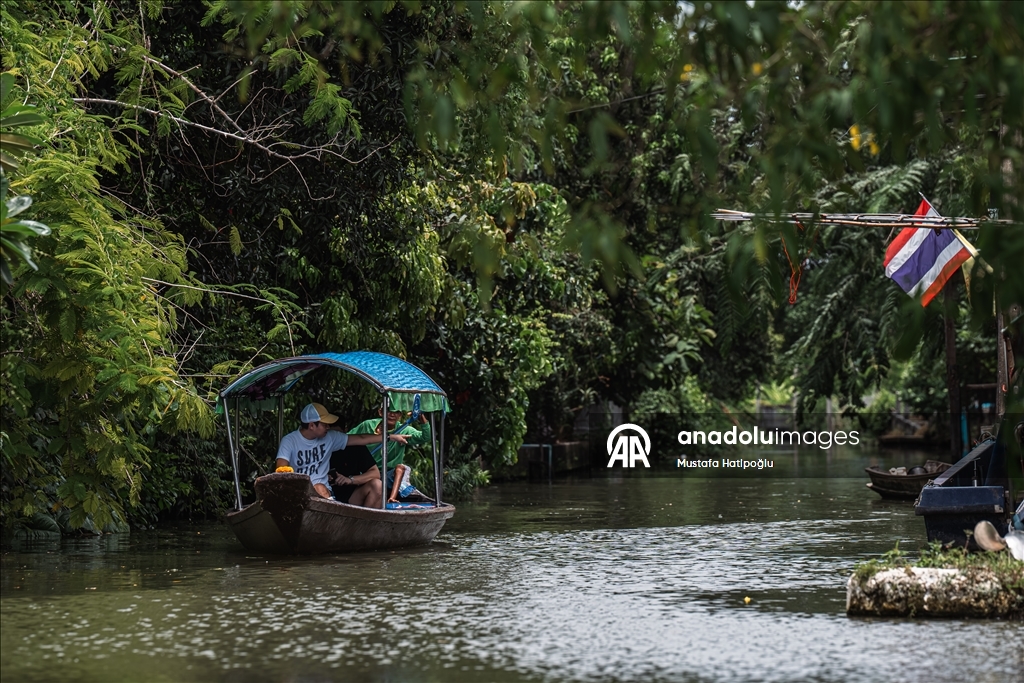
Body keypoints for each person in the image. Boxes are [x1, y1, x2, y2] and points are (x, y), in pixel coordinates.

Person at [275, 402, 408, 499]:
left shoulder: (330, 437)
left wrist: (390, 436)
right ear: (311, 425)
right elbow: (281, 468)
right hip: (298, 493)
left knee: (319, 488)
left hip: (324, 492)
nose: (328, 427)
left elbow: (361, 438)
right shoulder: (289, 440)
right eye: (325, 424)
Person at [348, 406, 432, 502]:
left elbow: (425, 437)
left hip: (387, 475)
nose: (392, 414)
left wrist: (422, 419)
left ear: (400, 415)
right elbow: (346, 439)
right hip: (366, 472)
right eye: (388, 411)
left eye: (396, 412)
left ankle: (392, 498)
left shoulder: (404, 430)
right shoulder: (367, 425)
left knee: (401, 468)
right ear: (380, 412)